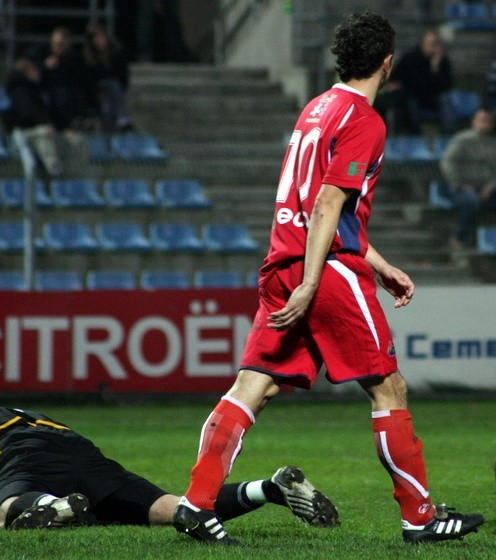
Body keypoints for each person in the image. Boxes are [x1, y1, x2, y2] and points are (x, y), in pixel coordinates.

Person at [172, 12, 484, 546]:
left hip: (282, 260)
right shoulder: (365, 120)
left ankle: (195, 504)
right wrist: (316, 281)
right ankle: (420, 518)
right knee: (389, 387)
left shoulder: (316, 108)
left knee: (254, 386)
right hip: (324, 270)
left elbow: (319, 205)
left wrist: (377, 263)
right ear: (387, 63)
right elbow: (327, 203)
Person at [0, 407, 339, 530]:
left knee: (8, 512)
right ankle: (268, 489)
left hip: (18, 450)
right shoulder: (25, 414)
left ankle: (54, 506)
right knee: (171, 507)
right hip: (80, 448)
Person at [439, 107, 496, 260]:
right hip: (460, 186)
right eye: (482, 121)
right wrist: (458, 183)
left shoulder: (493, 143)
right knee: (470, 200)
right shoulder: (462, 139)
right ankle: (458, 239)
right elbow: (447, 163)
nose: (486, 124)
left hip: (486, 188)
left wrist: (489, 187)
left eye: (489, 121)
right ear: (474, 122)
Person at [375, 29, 454, 134]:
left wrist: (435, 69)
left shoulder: (442, 62)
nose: (434, 47)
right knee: (409, 103)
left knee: (446, 100)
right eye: (432, 43)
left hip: (434, 97)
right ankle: (415, 135)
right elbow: (399, 79)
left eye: (437, 44)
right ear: (423, 44)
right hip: (413, 96)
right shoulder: (410, 58)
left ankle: (450, 134)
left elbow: (446, 86)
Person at [3, 58, 63, 177]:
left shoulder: (39, 88)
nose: (38, 73)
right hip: (22, 131)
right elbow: (27, 113)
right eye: (35, 70)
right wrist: (46, 123)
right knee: (45, 133)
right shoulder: (20, 90)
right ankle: (54, 170)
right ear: (28, 72)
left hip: (35, 129)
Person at [28, 26, 87, 136]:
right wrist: (45, 67)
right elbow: (30, 73)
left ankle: (72, 125)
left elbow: (80, 82)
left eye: (62, 45)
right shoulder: (41, 53)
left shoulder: (74, 60)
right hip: (44, 93)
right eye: (56, 43)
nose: (59, 47)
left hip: (66, 98)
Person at [82, 21, 134, 135]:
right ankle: (123, 120)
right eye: (95, 38)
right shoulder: (87, 59)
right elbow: (87, 82)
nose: (99, 41)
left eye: (100, 36)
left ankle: (111, 133)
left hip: (113, 93)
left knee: (109, 99)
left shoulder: (116, 53)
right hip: (96, 93)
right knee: (109, 89)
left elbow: (123, 78)